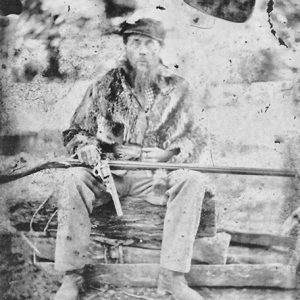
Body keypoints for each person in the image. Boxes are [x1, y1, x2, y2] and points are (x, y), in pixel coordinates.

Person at [54, 18, 211, 300]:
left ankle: (172, 278)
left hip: (156, 179)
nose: (142, 50)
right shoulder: (105, 86)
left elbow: (198, 137)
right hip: (109, 177)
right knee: (72, 179)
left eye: (149, 43)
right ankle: (71, 277)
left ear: (159, 48)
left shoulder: (179, 89)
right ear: (125, 47)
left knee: (193, 179)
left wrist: (171, 153)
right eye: (135, 43)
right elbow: (75, 131)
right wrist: (86, 147)